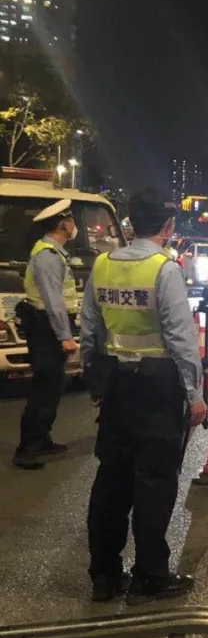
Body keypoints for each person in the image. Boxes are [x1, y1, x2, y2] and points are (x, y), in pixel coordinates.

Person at [80, 188, 207, 604]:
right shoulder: (164, 269)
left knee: (111, 481)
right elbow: (181, 339)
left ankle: (104, 575)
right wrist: (194, 395)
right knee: (154, 483)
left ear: (131, 223)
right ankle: (150, 575)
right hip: (156, 387)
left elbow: (90, 331)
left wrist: (96, 383)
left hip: (116, 387)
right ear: (168, 226)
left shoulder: (102, 264)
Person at [14, 199, 80, 470]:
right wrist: (65, 336)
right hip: (46, 329)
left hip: (46, 326)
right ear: (63, 224)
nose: (75, 225)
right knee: (44, 389)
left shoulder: (54, 253)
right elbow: (53, 302)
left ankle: (42, 440)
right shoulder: (48, 257)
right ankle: (28, 450)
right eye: (72, 221)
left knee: (51, 387)